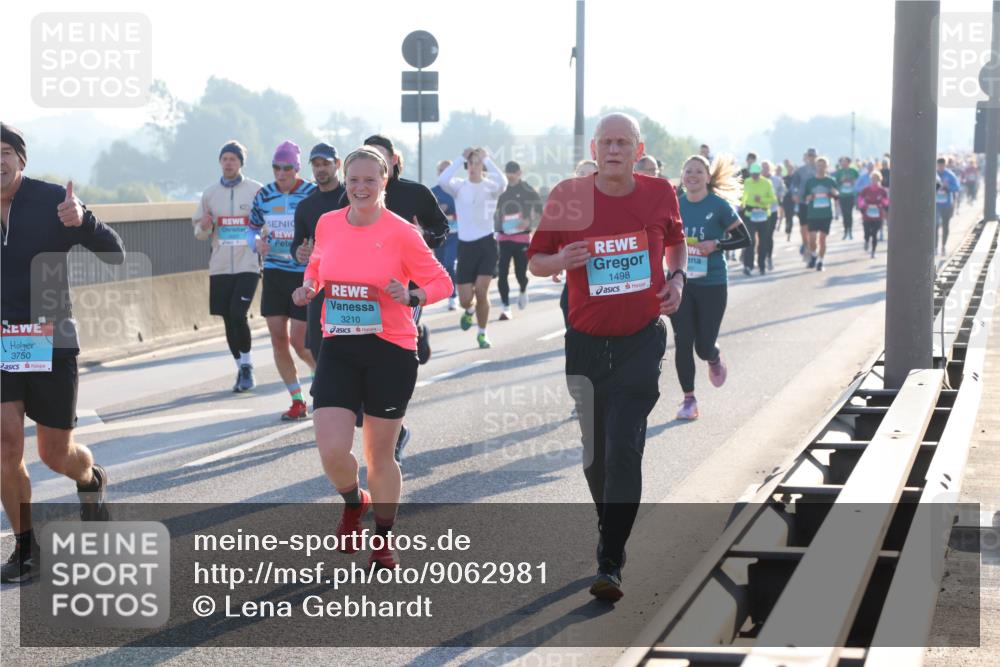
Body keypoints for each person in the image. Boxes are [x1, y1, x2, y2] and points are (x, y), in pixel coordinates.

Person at [527, 112, 687, 602]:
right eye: (606, 142)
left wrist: (677, 279)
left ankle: (610, 559)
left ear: (638, 151)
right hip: (585, 342)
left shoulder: (659, 192)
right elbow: (536, 262)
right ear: (594, 150)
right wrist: (561, 261)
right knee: (595, 453)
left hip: (641, 338)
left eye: (623, 142)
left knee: (624, 445)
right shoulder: (568, 197)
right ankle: (608, 522)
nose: (614, 149)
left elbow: (677, 244)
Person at [292, 147, 452, 569]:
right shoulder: (328, 223)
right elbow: (320, 263)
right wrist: (309, 286)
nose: (361, 187)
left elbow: (442, 282)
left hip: (391, 350)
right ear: (345, 181)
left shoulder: (402, 232)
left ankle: (383, 537)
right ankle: (353, 501)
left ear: (385, 182)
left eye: (370, 180)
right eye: (354, 180)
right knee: (331, 451)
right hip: (340, 345)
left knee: (379, 456)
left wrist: (412, 294)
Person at [1, 123, 123, 582]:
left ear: (21, 159)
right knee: (5, 444)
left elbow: (114, 252)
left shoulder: (53, 201)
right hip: (1, 345)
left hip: (52, 341)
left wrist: (85, 220)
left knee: (56, 454)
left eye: (6, 151)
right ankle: (26, 548)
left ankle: (91, 480)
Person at [357, 135, 449, 464]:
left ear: (393, 161)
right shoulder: (354, 193)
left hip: (404, 290)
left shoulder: (415, 193)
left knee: (389, 358)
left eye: (380, 159)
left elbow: (441, 227)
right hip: (363, 291)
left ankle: (394, 431)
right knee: (363, 361)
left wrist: (424, 236)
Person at [672, 154, 750, 420]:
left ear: (707, 177)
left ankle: (713, 357)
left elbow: (744, 239)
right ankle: (688, 400)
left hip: (712, 283)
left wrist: (716, 245)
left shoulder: (718, 206)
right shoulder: (675, 205)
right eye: (688, 171)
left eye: (698, 171)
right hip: (681, 283)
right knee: (683, 340)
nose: (692, 175)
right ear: (682, 176)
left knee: (702, 346)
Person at [248, 140, 317, 421]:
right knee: (278, 338)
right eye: (276, 167)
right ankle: (297, 399)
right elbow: (250, 227)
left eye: (287, 167)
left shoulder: (311, 193)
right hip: (275, 272)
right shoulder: (264, 195)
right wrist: (256, 244)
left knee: (299, 342)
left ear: (297, 168)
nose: (281, 173)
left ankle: (322, 378)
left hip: (303, 274)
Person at [192, 141, 263, 393]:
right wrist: (206, 225)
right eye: (225, 159)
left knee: (238, 314)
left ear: (241, 163)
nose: (229, 163)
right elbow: (199, 233)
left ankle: (247, 366)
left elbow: (266, 224)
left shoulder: (256, 190)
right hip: (220, 266)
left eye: (233, 159)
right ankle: (240, 367)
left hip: (248, 264)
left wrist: (261, 239)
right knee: (227, 319)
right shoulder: (210, 194)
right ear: (220, 162)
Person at [437, 147, 508, 349]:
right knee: (466, 300)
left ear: (482, 166)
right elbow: (443, 180)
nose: (473, 167)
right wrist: (461, 157)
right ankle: (469, 311)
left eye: (477, 163)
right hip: (466, 246)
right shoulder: (459, 186)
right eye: (470, 163)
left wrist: (488, 159)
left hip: (486, 244)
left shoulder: (491, 186)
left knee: (482, 291)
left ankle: (482, 334)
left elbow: (503, 181)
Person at [290, 143, 345, 363]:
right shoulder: (306, 206)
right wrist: (300, 253)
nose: (320, 169)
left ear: (338, 165)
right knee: (318, 346)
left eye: (326, 164)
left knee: (351, 344)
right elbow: (296, 245)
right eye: (316, 165)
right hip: (319, 284)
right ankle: (327, 392)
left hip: (352, 283)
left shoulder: (351, 198)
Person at [494, 161, 543, 320]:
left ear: (519, 173)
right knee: (502, 273)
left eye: (513, 172)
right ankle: (505, 307)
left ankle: (523, 288)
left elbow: (540, 211)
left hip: (521, 238)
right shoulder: (501, 189)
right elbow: (491, 209)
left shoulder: (527, 189)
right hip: (503, 237)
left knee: (520, 273)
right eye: (508, 172)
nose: (510, 175)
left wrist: (529, 222)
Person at [740, 162, 777, 275]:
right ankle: (748, 266)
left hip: (763, 214)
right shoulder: (747, 182)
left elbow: (773, 199)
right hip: (750, 214)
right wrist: (742, 203)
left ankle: (762, 265)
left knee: (763, 241)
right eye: (753, 174)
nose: (754, 176)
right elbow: (743, 195)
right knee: (750, 240)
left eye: (756, 174)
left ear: (760, 173)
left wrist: (761, 200)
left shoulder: (767, 183)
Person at [431, 160, 459, 311]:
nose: (445, 173)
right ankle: (453, 288)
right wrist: (438, 210)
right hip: (440, 236)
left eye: (448, 170)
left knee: (449, 264)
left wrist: (453, 213)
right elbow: (426, 215)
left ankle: (453, 297)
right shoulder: (433, 191)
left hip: (456, 235)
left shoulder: (459, 190)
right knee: (442, 266)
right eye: (442, 170)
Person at [802, 156, 839, 271]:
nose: (820, 168)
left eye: (823, 166)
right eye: (818, 165)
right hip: (813, 214)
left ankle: (821, 261)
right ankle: (813, 254)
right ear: (816, 167)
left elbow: (837, 195)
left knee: (822, 239)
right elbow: (805, 198)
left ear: (826, 167)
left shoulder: (830, 181)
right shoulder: (810, 182)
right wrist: (810, 197)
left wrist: (834, 193)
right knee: (812, 239)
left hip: (826, 214)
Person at [790, 148, 818, 258]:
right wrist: (794, 194)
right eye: (810, 155)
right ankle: (806, 245)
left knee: (814, 229)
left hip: (816, 203)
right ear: (807, 156)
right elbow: (794, 185)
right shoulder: (800, 170)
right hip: (803, 202)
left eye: (813, 155)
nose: (811, 158)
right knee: (804, 227)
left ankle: (813, 248)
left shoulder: (820, 169)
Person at [857, 171, 889, 258]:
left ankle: (873, 252)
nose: (875, 180)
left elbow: (886, 201)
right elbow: (860, 199)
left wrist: (884, 205)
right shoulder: (866, 189)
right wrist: (863, 206)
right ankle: (866, 240)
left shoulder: (882, 191)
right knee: (867, 232)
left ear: (880, 179)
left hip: (878, 215)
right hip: (867, 215)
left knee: (874, 233)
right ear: (870, 180)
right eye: (873, 179)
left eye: (877, 179)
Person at [935, 157, 960, 255]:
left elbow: (957, 187)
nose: (940, 167)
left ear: (945, 165)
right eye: (939, 165)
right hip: (936, 205)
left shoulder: (950, 175)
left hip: (947, 204)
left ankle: (943, 245)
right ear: (937, 165)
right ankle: (935, 247)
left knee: (945, 225)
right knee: (935, 226)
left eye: (942, 165)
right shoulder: (934, 174)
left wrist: (947, 187)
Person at [832, 156, 859, 240]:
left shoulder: (853, 171)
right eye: (842, 162)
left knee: (849, 213)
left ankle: (850, 231)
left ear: (848, 163)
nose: (843, 163)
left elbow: (858, 180)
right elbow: (835, 183)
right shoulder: (839, 172)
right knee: (844, 214)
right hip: (842, 195)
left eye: (845, 162)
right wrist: (841, 181)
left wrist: (853, 181)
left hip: (851, 195)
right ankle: (845, 231)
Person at [765, 161, 785, 270]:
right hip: (759, 211)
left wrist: (779, 195)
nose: (765, 169)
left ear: (771, 168)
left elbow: (783, 190)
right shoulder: (756, 180)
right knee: (759, 236)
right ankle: (760, 256)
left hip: (772, 210)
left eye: (767, 167)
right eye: (763, 167)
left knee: (768, 235)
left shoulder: (776, 180)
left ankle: (768, 257)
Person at [780, 160, 797, 242]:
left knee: (794, 216)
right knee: (788, 216)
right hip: (786, 200)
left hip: (795, 200)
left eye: (791, 168)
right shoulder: (784, 178)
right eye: (788, 168)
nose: (790, 170)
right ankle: (788, 231)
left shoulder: (796, 178)